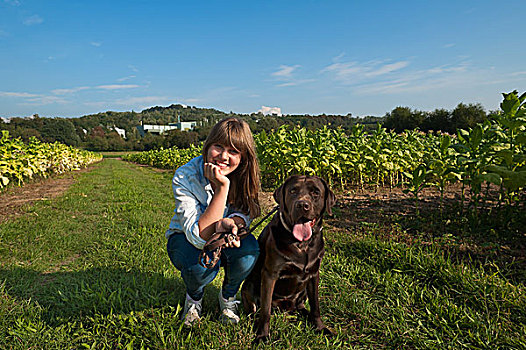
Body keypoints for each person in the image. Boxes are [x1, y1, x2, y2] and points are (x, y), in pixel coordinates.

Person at [165, 117, 261, 326]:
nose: (223, 156)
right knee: (198, 267)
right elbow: (197, 238)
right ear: (208, 146)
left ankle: (228, 298)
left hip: (225, 233)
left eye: (234, 151)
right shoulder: (185, 176)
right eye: (218, 146)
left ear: (243, 157)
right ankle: (194, 297)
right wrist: (221, 189)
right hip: (185, 238)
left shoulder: (244, 175)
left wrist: (235, 224)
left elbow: (246, 213)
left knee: (249, 252)